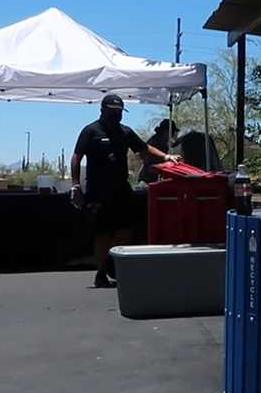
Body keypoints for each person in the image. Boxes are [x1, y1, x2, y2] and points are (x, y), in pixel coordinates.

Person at [70, 94, 179, 288]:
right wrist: (75, 185)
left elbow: (144, 149)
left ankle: (114, 263)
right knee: (102, 233)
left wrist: (166, 157)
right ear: (103, 111)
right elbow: (76, 158)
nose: (117, 116)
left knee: (126, 230)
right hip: (98, 190)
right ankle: (101, 272)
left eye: (119, 112)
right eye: (113, 112)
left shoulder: (125, 132)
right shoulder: (91, 131)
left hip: (120, 188)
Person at [137, 119, 178, 184]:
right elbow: (142, 153)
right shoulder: (155, 140)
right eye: (172, 131)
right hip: (148, 177)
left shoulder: (164, 141)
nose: (173, 134)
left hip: (155, 176)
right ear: (166, 131)